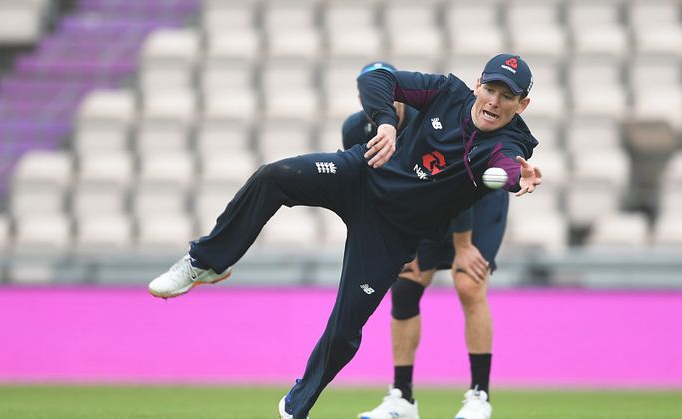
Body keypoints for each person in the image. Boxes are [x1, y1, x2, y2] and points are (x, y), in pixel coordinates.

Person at [147, 53, 542, 419]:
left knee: (345, 329)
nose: (494, 101)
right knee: (274, 177)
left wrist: (516, 176)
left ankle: (295, 406)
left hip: (393, 233)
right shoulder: (445, 92)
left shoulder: (511, 143)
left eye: (507, 96)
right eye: (490, 89)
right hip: (361, 177)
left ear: (521, 104)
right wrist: (387, 122)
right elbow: (376, 77)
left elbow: (508, 167)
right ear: (477, 85)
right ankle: (207, 261)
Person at [345, 62, 510, 419]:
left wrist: (463, 247)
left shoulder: (431, 112)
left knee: (468, 282)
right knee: (405, 285)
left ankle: (479, 396)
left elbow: (459, 183)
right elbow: (368, 192)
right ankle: (402, 398)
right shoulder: (356, 129)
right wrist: (392, 243)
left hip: (477, 198)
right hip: (425, 202)